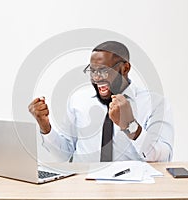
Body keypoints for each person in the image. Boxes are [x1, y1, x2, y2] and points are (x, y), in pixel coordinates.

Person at [28, 41, 174, 162]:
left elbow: (163, 159)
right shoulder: (78, 100)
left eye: (103, 70)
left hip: (130, 190)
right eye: (92, 71)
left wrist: (130, 125)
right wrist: (45, 126)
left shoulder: (154, 103)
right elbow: (65, 154)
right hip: (82, 187)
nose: (97, 78)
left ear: (125, 68)